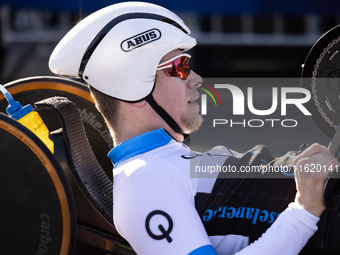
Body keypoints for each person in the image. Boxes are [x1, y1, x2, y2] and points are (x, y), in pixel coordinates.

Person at [49, 2, 339, 254]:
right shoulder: (141, 179)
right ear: (133, 86)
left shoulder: (163, 160)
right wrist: (305, 209)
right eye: (180, 67)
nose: (197, 78)